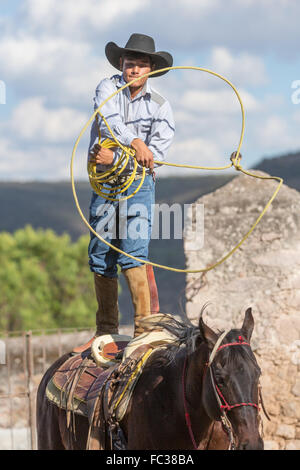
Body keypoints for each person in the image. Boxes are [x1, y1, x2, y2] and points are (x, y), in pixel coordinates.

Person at [87, 33, 175, 340]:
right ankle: (106, 331)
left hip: (139, 188)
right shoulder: (106, 88)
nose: (133, 70)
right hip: (105, 186)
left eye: (140, 65)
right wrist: (135, 142)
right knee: (100, 254)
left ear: (150, 69)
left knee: (134, 253)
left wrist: (114, 158)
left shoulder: (162, 107)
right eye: (129, 64)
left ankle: (144, 332)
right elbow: (107, 119)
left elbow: (155, 158)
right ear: (121, 65)